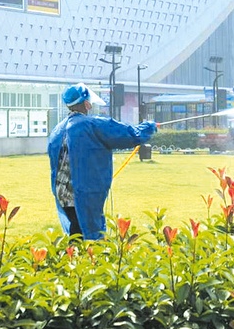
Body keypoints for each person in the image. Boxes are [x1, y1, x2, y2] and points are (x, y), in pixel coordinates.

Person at [48, 83, 157, 240]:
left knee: (76, 229)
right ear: (86, 103)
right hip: (85, 191)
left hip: (62, 193)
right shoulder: (92, 125)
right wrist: (149, 126)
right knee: (91, 234)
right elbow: (129, 134)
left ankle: (73, 252)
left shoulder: (58, 130)